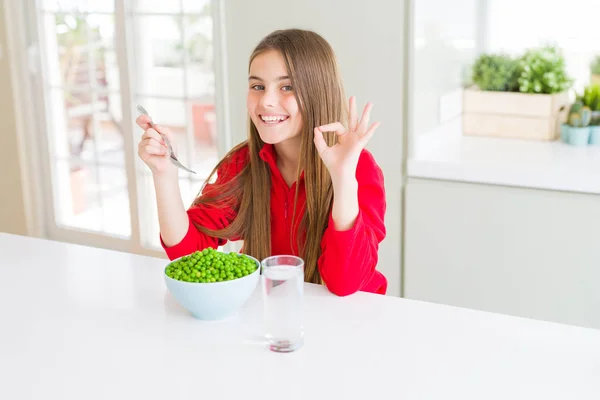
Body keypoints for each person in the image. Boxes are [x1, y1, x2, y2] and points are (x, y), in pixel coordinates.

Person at [136, 29, 387, 296]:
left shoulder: (359, 169)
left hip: (347, 322)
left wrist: (343, 178)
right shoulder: (243, 163)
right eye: (258, 87)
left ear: (317, 93)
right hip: (270, 315)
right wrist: (163, 173)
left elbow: (344, 284)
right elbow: (186, 251)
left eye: (286, 87)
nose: (266, 101)